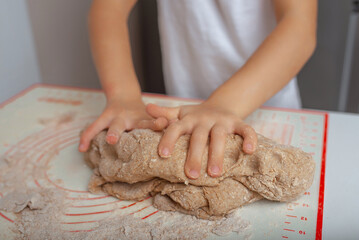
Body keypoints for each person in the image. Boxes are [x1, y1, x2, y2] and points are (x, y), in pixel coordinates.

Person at [79, 0, 317, 180]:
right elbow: (108, 9)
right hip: (184, 113)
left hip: (268, 111)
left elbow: (299, 26)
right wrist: (123, 95)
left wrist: (223, 105)